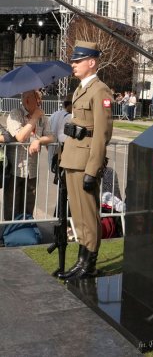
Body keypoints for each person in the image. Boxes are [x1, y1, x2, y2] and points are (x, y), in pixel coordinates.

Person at [58, 40, 113, 281]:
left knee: (88, 214)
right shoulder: (81, 89)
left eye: (78, 61)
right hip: (73, 159)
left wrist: (93, 168)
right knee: (78, 215)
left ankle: (88, 263)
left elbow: (101, 133)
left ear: (91, 62)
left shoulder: (100, 90)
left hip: (85, 162)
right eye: (73, 60)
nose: (73, 64)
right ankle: (82, 259)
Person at [4, 90, 55, 220]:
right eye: (36, 98)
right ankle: (10, 233)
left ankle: (26, 231)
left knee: (29, 205)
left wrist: (39, 140)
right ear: (27, 100)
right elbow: (21, 137)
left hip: (32, 169)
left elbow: (51, 136)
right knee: (12, 205)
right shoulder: (15, 114)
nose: (40, 101)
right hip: (16, 168)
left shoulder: (42, 117)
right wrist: (34, 118)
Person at [48, 92, 73, 167]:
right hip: (63, 157)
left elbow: (47, 132)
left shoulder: (54, 114)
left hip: (52, 155)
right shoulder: (70, 117)